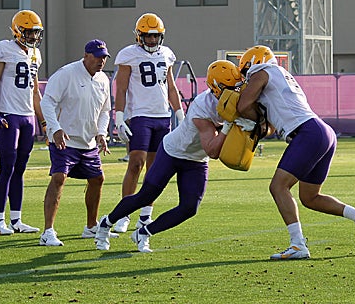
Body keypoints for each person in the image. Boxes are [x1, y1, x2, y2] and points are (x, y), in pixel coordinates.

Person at [236, 45, 355, 260]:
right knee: (310, 197)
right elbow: (270, 128)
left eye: (246, 72)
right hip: (321, 132)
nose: (246, 78)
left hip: (308, 133)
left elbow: (242, 105)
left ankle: (297, 245)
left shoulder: (262, 71)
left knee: (278, 186)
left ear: (254, 64)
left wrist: (243, 119)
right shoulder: (281, 76)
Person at [95, 60, 242, 253]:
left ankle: (144, 232)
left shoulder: (237, 99)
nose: (234, 92)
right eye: (229, 88)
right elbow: (213, 151)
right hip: (174, 151)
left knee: (190, 208)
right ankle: (105, 224)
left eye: (236, 87)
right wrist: (229, 126)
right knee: (146, 195)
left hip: (195, 160)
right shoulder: (202, 107)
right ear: (216, 88)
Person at [38, 39, 116, 246]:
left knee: (97, 179)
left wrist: (101, 133)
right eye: (97, 57)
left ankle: (91, 227)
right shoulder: (66, 74)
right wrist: (54, 129)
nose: (101, 62)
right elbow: (47, 101)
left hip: (88, 142)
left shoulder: (103, 80)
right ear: (86, 56)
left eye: (104, 58)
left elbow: (105, 111)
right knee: (58, 178)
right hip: (64, 139)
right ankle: (48, 231)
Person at [112, 13, 184, 233]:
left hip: (162, 116)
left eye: (155, 36)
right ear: (139, 36)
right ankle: (124, 212)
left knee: (155, 169)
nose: (152, 41)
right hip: (141, 115)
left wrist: (180, 113)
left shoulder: (167, 54)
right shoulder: (129, 55)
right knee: (136, 163)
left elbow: (170, 87)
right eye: (148, 36)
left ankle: (145, 215)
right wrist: (119, 116)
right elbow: (121, 87)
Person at [0, 10, 46, 235]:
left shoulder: (35, 54)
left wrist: (43, 121)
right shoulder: (3, 49)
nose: (32, 37)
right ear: (17, 30)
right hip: (8, 115)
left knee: (20, 169)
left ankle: (17, 220)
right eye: (28, 32)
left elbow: (35, 91)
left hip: (27, 116)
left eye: (35, 33)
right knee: (7, 168)